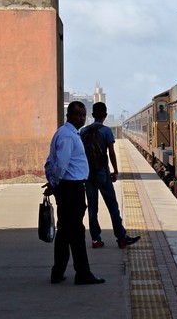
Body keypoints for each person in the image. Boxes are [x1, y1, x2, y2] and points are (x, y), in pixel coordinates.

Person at [43, 101, 105, 285]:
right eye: (78, 115)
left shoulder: (64, 133)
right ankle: (83, 274)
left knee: (64, 233)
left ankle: (58, 272)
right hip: (71, 189)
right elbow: (60, 164)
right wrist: (55, 183)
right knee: (77, 233)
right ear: (69, 115)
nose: (82, 118)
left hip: (68, 187)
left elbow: (50, 162)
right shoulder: (68, 136)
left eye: (84, 115)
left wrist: (54, 182)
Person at [80, 102, 140, 249]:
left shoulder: (83, 131)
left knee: (92, 208)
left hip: (88, 174)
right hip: (102, 173)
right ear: (105, 116)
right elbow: (111, 153)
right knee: (112, 206)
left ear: (92, 115)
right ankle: (121, 238)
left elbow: (80, 154)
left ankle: (95, 240)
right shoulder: (106, 131)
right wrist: (116, 171)